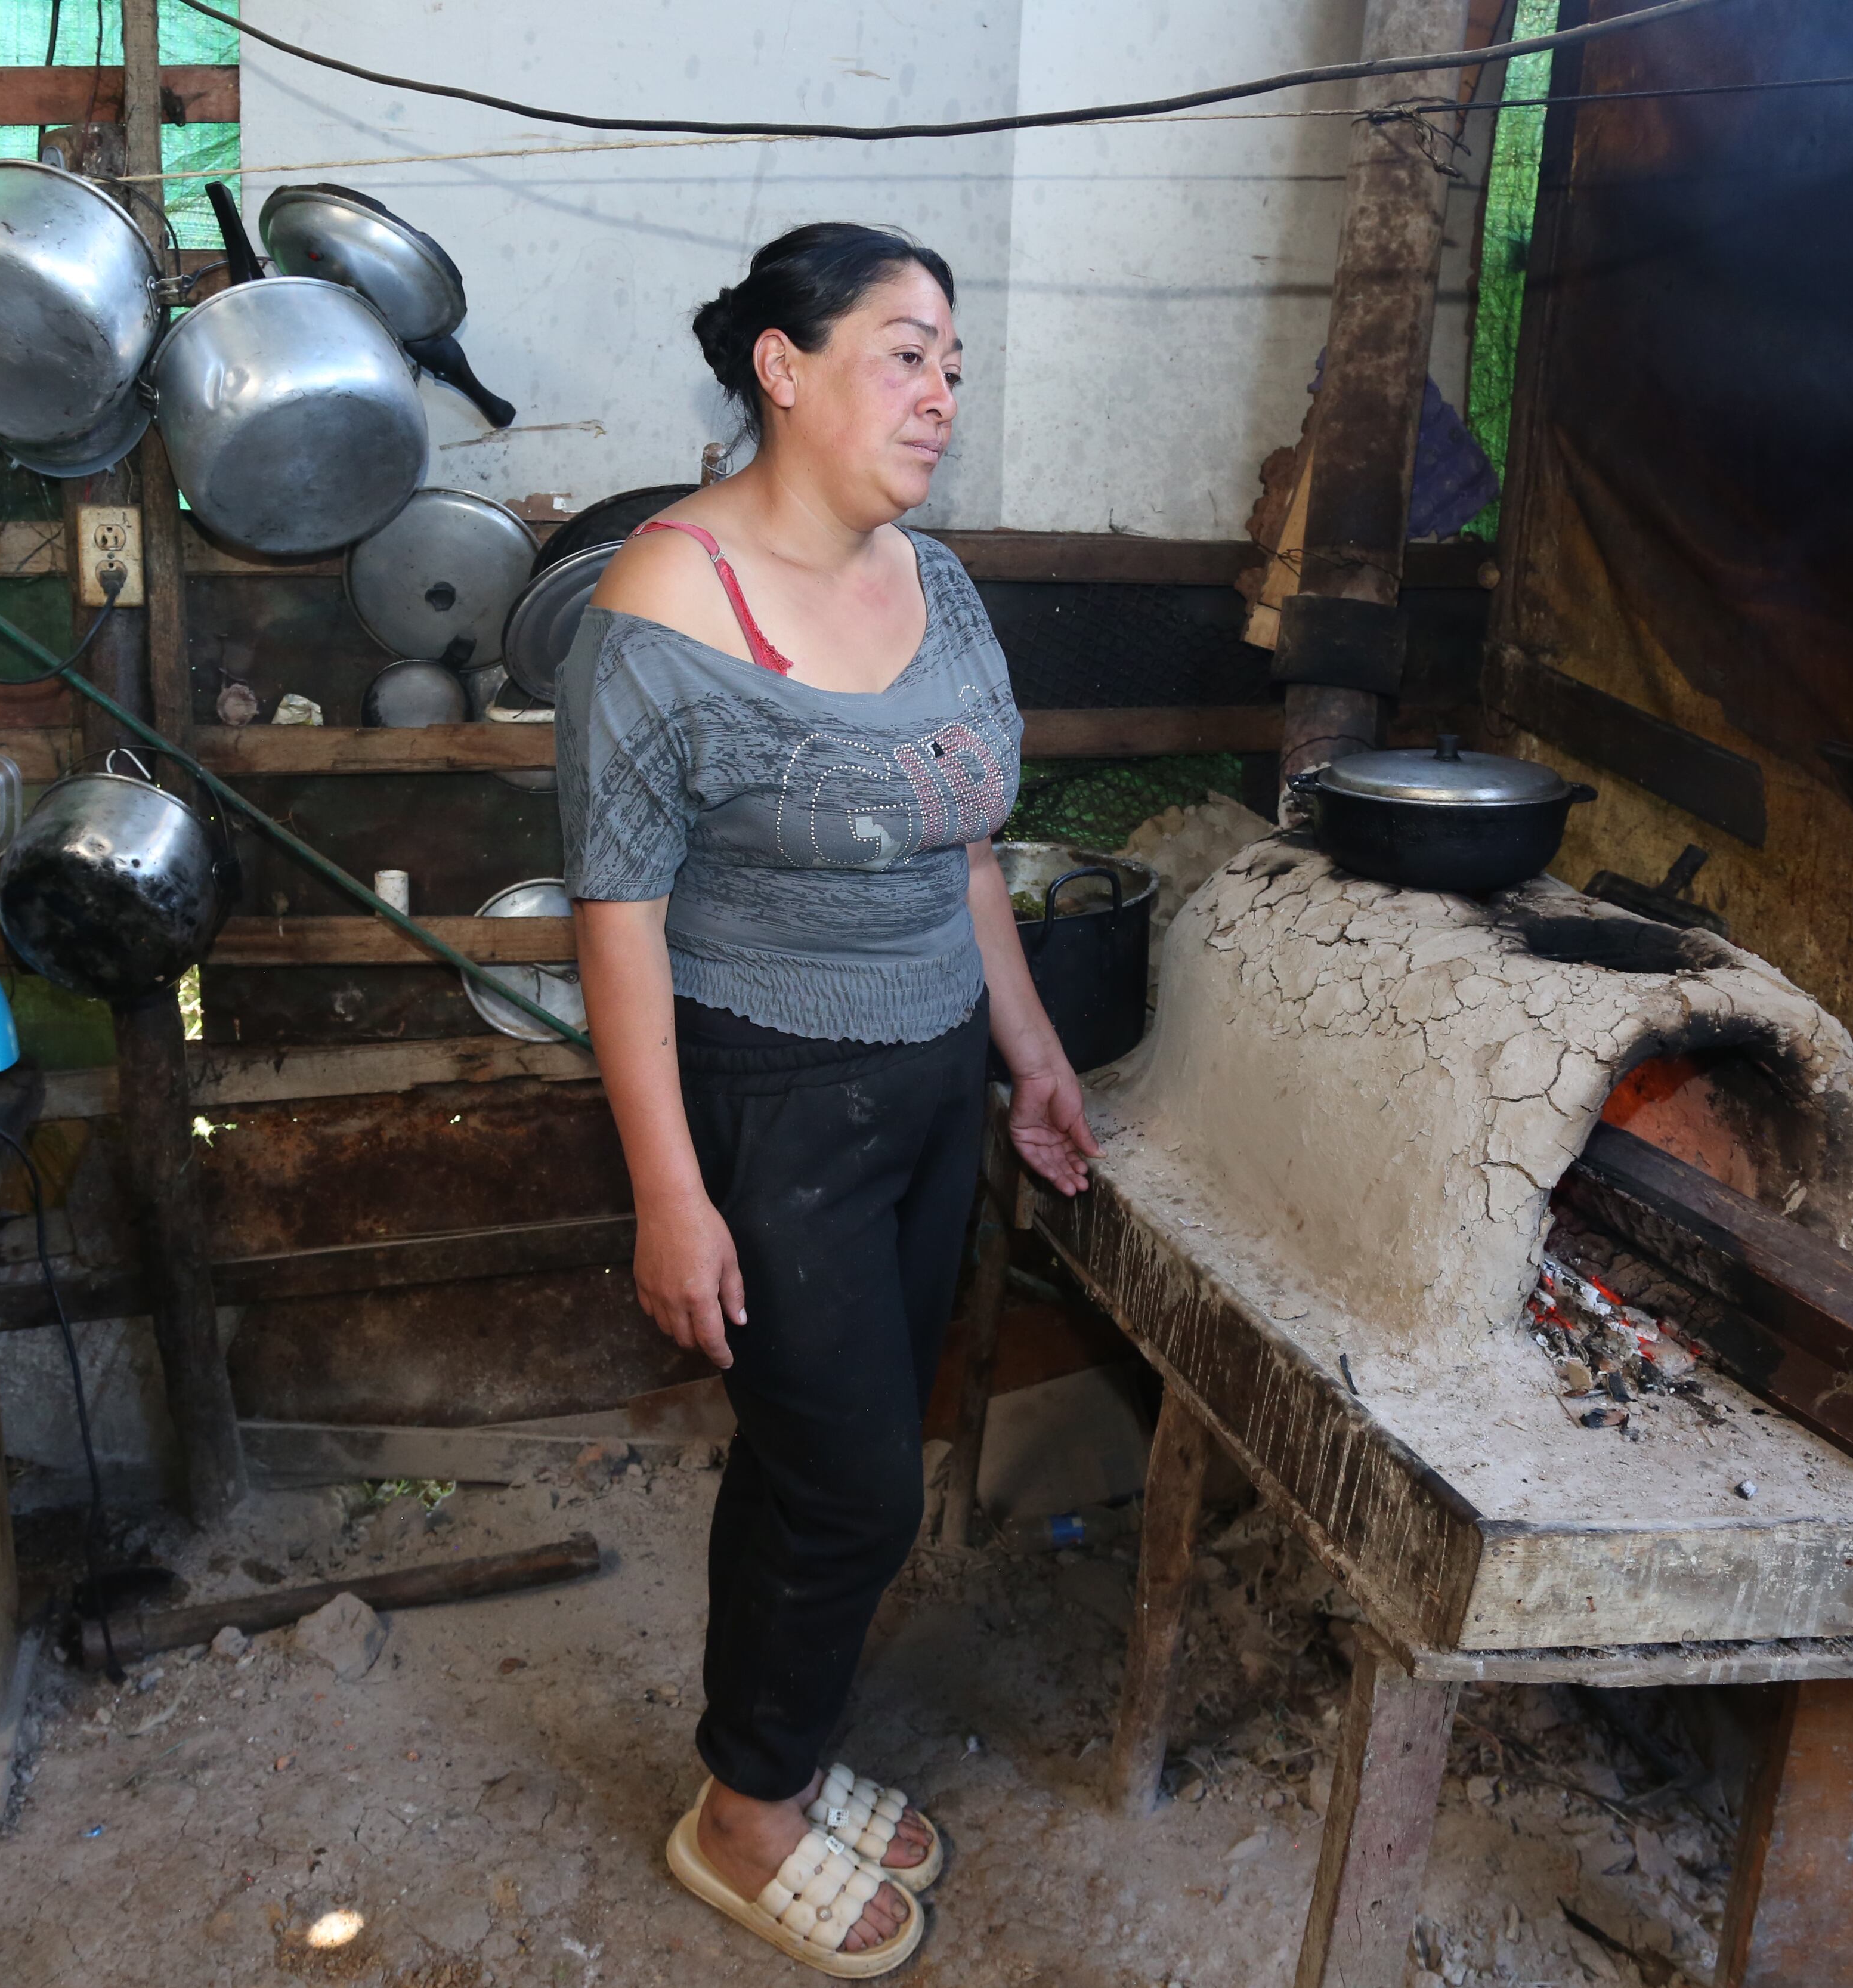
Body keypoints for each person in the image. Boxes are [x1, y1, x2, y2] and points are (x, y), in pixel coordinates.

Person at [556, 222, 1103, 1976]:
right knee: (857, 1484)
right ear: (782, 370)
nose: (943, 393)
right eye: (905, 352)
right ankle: (743, 1819)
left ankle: (766, 1753)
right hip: (768, 1095)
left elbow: (966, 845)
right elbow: (616, 929)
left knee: (821, 1453)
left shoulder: (935, 587)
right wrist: (668, 1190)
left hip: (934, 1076)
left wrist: (1028, 1058)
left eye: (955, 361)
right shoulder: (658, 614)